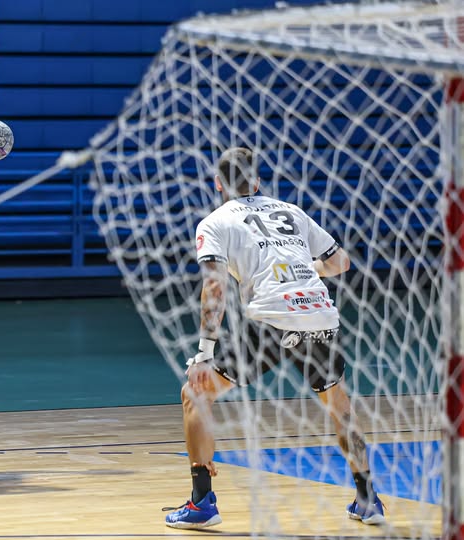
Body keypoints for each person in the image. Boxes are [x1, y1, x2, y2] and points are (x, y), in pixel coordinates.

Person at [164, 147, 386, 528]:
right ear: (257, 181)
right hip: (319, 313)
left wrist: (204, 353)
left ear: (217, 184)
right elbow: (341, 262)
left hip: (271, 317)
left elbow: (214, 288)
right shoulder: (291, 211)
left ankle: (202, 503)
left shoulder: (214, 223)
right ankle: (368, 500)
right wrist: (303, 268)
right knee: (340, 405)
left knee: (195, 393)